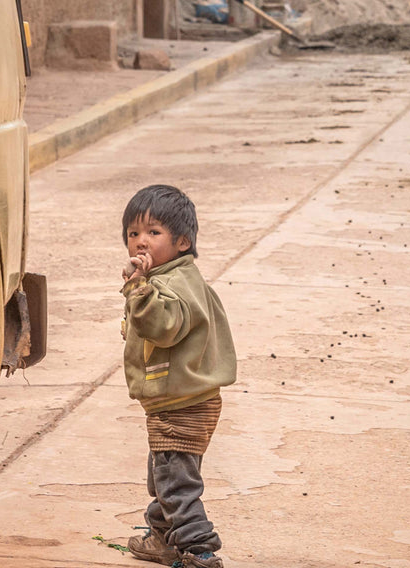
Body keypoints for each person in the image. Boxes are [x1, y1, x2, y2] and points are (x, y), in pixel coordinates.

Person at [119, 185, 237, 568]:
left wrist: (137, 289)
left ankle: (199, 550)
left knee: (175, 484)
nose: (141, 241)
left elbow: (163, 327)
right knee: (165, 474)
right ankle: (161, 537)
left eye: (153, 232)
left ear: (182, 242)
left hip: (179, 403)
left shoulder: (168, 286)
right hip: (189, 399)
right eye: (133, 233)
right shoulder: (181, 277)